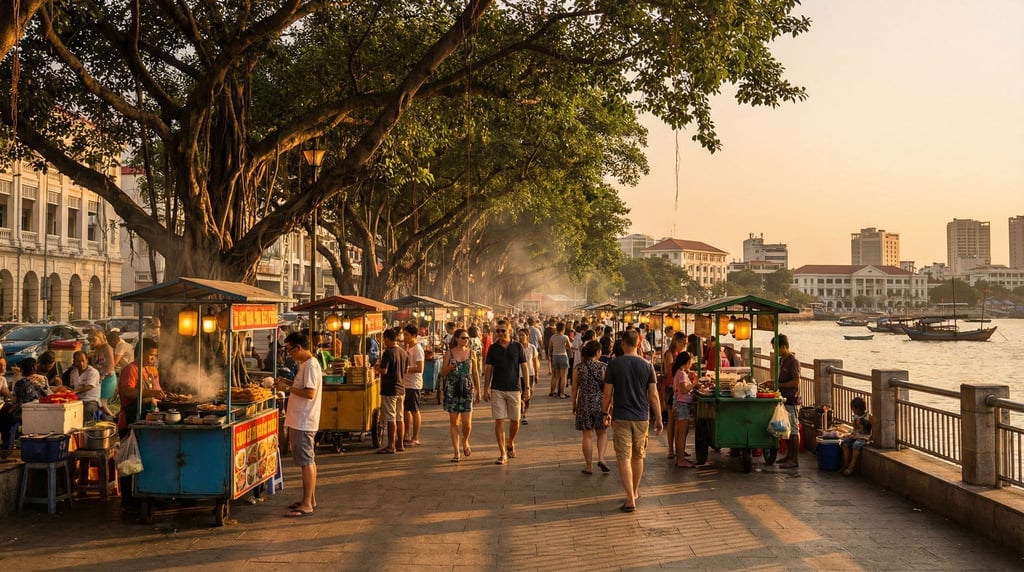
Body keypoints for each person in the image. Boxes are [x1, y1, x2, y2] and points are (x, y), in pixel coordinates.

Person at [601, 329, 662, 512]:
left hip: (621, 417)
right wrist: (658, 417)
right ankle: (634, 492)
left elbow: (606, 394)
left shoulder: (614, 365)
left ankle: (630, 498)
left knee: (623, 457)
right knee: (638, 456)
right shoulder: (647, 365)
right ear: (639, 343)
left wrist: (605, 413)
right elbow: (653, 395)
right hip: (642, 417)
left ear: (622, 344)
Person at [275, 332, 323, 517]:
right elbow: (301, 387)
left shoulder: (310, 365)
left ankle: (306, 504)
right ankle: (310, 498)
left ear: (298, 348)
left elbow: (309, 392)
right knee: (308, 461)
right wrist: (286, 382)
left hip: (304, 420)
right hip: (301, 419)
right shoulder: (305, 365)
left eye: (289, 350)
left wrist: (287, 388)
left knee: (306, 462)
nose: (289, 354)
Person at [482, 319, 529, 465]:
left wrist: (527, 387)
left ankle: (510, 442)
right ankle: (502, 453)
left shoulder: (517, 347)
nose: (500, 333)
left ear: (509, 331)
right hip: (497, 389)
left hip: (514, 389)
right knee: (499, 421)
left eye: (503, 331)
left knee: (515, 421)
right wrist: (486, 388)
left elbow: (525, 367)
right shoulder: (493, 348)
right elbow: (488, 369)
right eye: (498, 331)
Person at [441, 328, 480, 462]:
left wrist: (479, 391)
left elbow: (475, 373)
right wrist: (449, 368)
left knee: (466, 423)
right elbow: (442, 373)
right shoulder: (449, 354)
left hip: (467, 389)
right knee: (454, 421)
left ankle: (465, 441)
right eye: (463, 337)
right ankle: (456, 451)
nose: (465, 340)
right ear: (456, 339)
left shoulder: (472, 354)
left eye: (467, 338)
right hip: (452, 389)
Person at [572, 340, 609, 475]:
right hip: (600, 402)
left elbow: (574, 388)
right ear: (598, 352)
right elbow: (607, 389)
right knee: (602, 432)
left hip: (584, 402)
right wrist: (609, 406)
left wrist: (574, 404)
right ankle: (602, 458)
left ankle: (588, 466)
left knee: (587, 435)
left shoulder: (578, 368)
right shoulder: (603, 367)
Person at [116, 337, 165, 433]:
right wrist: (150, 393)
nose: (153, 358)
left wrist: (165, 395)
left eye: (155, 355)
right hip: (131, 419)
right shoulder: (131, 369)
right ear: (141, 353)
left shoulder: (152, 370)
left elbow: (157, 391)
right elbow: (127, 392)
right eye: (150, 355)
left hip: (149, 418)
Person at [0, 358, 48, 449]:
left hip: (24, 413)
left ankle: (7, 442)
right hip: (41, 412)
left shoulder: (20, 382)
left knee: (4, 415)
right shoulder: (43, 379)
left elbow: (15, 400)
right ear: (35, 367)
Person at [374, 328, 408, 454]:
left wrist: (377, 368)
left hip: (390, 389)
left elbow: (384, 371)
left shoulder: (388, 353)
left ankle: (390, 445)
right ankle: (400, 444)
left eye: (384, 339)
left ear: (387, 339)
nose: (384, 342)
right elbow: (405, 370)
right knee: (400, 417)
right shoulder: (404, 352)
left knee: (390, 418)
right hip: (401, 389)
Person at [774, 334, 802, 469]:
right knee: (787, 430)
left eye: (776, 348)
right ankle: (788, 456)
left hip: (792, 399)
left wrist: (779, 385)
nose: (775, 351)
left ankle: (794, 459)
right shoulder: (782, 361)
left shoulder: (793, 361)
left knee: (794, 430)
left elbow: (796, 381)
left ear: (784, 347)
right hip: (784, 399)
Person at [671, 351, 698, 468]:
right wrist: (694, 384)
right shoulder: (681, 374)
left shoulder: (679, 372)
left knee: (679, 433)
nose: (690, 365)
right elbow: (683, 390)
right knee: (682, 433)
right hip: (682, 405)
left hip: (678, 404)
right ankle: (681, 460)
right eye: (690, 363)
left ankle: (679, 456)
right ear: (686, 362)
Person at [402, 324, 425, 447]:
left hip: (414, 384)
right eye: (404, 334)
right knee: (406, 410)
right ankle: (406, 434)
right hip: (405, 383)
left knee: (414, 410)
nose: (404, 337)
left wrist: (406, 369)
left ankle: (415, 437)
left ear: (414, 336)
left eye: (407, 335)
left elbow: (419, 367)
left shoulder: (417, 349)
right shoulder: (407, 347)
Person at [841, 397, 873, 476]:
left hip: (865, 436)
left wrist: (869, 439)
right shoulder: (855, 417)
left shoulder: (868, 417)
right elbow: (855, 429)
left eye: (854, 409)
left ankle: (851, 466)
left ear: (859, 408)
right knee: (845, 443)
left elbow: (872, 430)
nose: (853, 411)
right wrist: (851, 435)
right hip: (857, 435)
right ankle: (846, 465)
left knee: (856, 445)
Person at [89, 328, 117, 417]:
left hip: (108, 378)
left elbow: (111, 365)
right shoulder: (96, 350)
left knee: (102, 401)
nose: (91, 342)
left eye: (94, 339)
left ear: (100, 338)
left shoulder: (107, 348)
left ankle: (113, 418)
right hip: (99, 378)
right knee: (98, 401)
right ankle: (99, 418)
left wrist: (103, 376)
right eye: (89, 340)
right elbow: (94, 367)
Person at [66, 350, 101, 421]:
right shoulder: (73, 372)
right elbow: (72, 387)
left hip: (91, 401)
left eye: (83, 361)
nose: (81, 364)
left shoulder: (93, 372)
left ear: (87, 360)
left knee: (87, 412)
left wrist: (75, 392)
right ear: (74, 362)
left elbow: (90, 386)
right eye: (78, 361)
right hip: (77, 400)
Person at [516, 328, 540, 425]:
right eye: (519, 335)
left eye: (523, 335)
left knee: (528, 395)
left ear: (527, 336)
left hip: (530, 374)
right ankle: (520, 412)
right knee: (519, 395)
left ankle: (525, 413)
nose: (521, 337)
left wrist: (537, 374)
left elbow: (535, 361)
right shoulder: (516, 348)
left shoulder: (532, 348)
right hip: (518, 374)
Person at [547, 322, 570, 398]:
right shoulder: (565, 337)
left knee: (555, 376)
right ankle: (562, 393)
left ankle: (552, 392)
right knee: (563, 376)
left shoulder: (552, 337)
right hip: (563, 356)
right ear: (563, 329)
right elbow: (569, 347)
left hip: (555, 356)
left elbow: (550, 347)